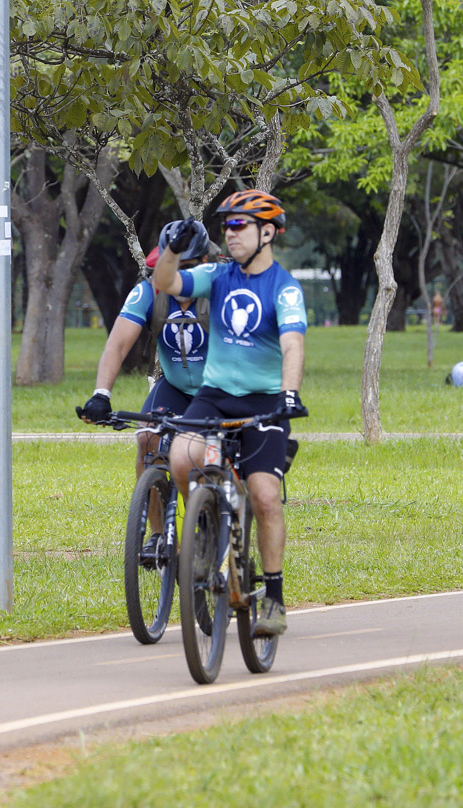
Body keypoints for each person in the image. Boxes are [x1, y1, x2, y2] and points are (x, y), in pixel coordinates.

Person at [149, 188, 306, 638]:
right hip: (215, 395)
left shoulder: (285, 288)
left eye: (240, 225)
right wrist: (174, 250)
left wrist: (289, 394)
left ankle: (273, 598)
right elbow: (165, 283)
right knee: (181, 457)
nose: (230, 234)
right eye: (227, 226)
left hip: (264, 402)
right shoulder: (217, 277)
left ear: (268, 232)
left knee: (265, 496)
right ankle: (202, 536)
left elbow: (293, 342)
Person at [77, 219, 215, 486]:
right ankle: (157, 528)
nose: (181, 278)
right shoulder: (148, 292)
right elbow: (117, 346)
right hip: (175, 386)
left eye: (189, 269)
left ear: (205, 262)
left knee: (209, 451)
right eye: (174, 268)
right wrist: (101, 394)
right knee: (146, 438)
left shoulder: (221, 289)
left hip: (218, 387)